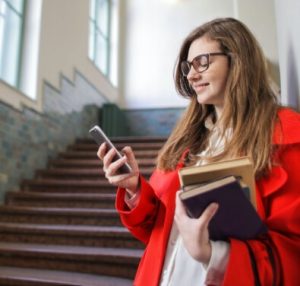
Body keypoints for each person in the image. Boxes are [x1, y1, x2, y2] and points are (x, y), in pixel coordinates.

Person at [97, 17, 300, 286]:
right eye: (188, 67)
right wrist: (135, 188)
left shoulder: (284, 134)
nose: (191, 75)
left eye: (202, 62)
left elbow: (292, 253)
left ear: (237, 59)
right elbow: (160, 231)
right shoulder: (187, 142)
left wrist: (213, 254)